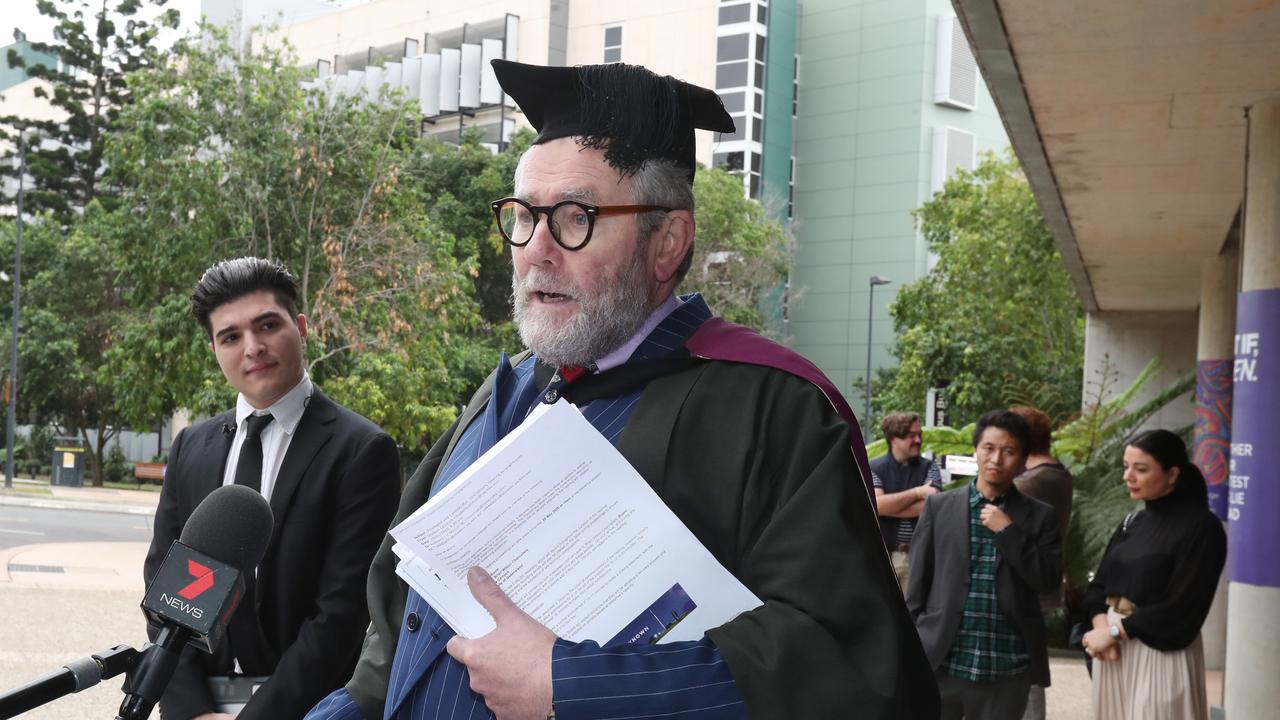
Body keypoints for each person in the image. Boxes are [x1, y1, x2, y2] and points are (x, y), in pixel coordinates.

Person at [306, 59, 937, 720]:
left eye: (575, 216)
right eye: (524, 215)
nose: (537, 248)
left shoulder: (775, 410)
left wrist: (570, 683)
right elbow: (402, 610)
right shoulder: (504, 395)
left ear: (666, 243)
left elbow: (843, 661)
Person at [144, 258, 401, 720]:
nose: (253, 347)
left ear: (300, 328)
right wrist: (192, 710)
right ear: (215, 349)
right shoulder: (191, 448)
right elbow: (166, 597)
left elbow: (341, 616)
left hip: (302, 708)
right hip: (198, 705)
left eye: (267, 325)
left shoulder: (362, 451)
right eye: (231, 336)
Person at [907, 410, 1062, 720]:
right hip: (943, 659)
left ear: (1022, 459)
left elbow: (1047, 581)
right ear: (975, 450)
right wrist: (909, 648)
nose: (996, 459)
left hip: (1006, 665)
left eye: (1008, 451)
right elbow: (917, 586)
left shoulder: (1040, 515)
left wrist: (1008, 532)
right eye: (989, 448)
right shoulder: (940, 507)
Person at [1080, 429, 1226, 720]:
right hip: (1112, 650)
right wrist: (1101, 631)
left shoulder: (1202, 528)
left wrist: (1113, 633)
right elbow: (1098, 589)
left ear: (1172, 474)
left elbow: (1182, 606)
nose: (1128, 477)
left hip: (1160, 651)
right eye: (1126, 467)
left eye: (1141, 469)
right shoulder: (1132, 522)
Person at [1009, 405, 1073, 720]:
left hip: (1025, 586)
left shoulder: (1034, 482)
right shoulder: (1055, 474)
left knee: (1024, 673)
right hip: (1035, 586)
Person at [870, 411, 943, 593]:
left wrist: (888, 505)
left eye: (919, 435)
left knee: (913, 618)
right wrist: (919, 492)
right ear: (894, 438)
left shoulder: (930, 467)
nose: (918, 440)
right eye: (911, 436)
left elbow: (932, 505)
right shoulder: (874, 468)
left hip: (918, 558)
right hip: (882, 558)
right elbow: (877, 506)